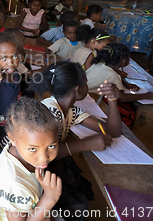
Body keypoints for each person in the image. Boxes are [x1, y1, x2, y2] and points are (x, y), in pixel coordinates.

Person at [32, 62, 122, 220]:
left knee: (77, 199)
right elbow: (44, 155)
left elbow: (112, 130)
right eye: (86, 82)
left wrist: (113, 100)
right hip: (33, 171)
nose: (87, 85)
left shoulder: (70, 110)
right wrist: (85, 144)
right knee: (76, 205)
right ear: (78, 89)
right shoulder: (51, 112)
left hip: (48, 166)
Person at [0, 97, 62, 221]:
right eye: (33, 149)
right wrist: (50, 198)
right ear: (12, 139)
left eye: (51, 146)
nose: (44, 158)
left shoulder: (19, 149)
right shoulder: (14, 184)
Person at [86, 43, 153, 103]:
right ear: (124, 60)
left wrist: (125, 84)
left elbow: (111, 75)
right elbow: (123, 98)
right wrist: (147, 96)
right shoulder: (112, 75)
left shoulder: (100, 63)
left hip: (85, 93)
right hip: (90, 99)